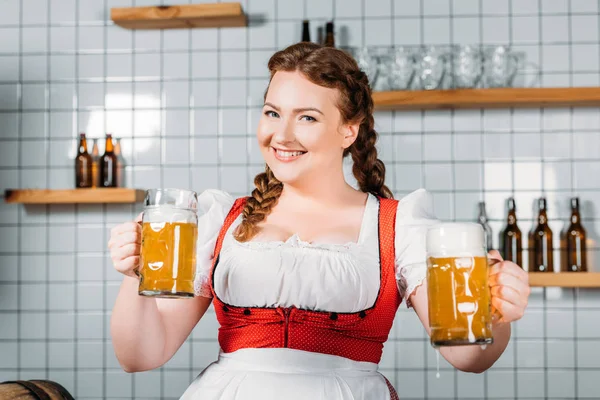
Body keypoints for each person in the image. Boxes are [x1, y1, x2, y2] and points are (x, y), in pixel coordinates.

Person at [108, 42, 530, 400]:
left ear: (348, 131)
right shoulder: (223, 219)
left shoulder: (396, 226)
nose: (282, 135)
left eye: (307, 117)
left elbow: (468, 357)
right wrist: (135, 275)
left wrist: (500, 315)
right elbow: (139, 357)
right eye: (273, 113)